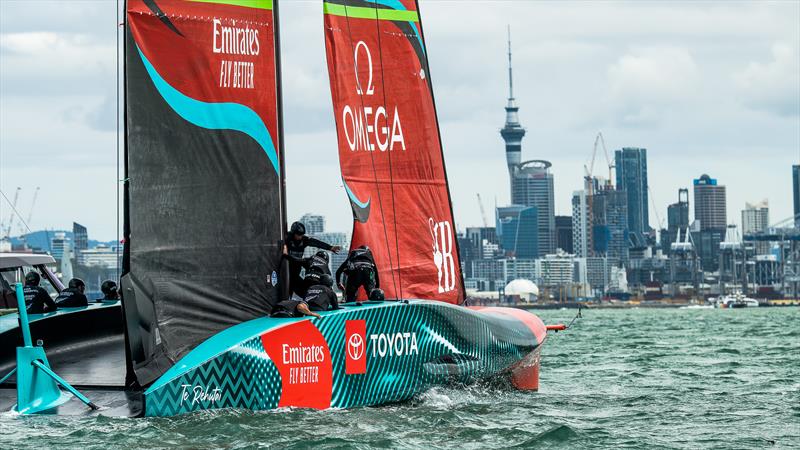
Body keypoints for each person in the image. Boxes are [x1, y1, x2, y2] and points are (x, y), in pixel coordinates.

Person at [283, 221, 341, 298]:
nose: (300, 237)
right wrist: (285, 252)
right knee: (289, 285)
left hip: (296, 268)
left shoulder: (304, 240)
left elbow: (316, 243)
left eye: (301, 235)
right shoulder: (287, 238)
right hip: (286, 268)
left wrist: (330, 247)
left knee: (302, 289)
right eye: (298, 235)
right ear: (293, 233)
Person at [271, 274, 339, 319]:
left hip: (304, 308)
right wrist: (311, 313)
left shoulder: (311, 287)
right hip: (312, 310)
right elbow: (336, 307)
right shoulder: (330, 291)